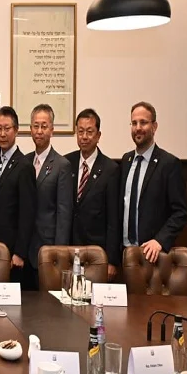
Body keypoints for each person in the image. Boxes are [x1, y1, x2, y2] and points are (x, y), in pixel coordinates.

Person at [120, 101, 187, 263]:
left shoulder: (169, 164)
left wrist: (160, 240)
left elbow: (180, 212)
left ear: (154, 126)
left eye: (143, 122)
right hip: (125, 252)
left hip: (153, 255)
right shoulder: (126, 161)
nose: (138, 128)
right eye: (134, 123)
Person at [0, 107, 36, 285]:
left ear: (16, 130)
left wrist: (19, 252)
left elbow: (27, 213)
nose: (2, 134)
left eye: (7, 128)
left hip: (10, 251)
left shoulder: (24, 166)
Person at [65, 109, 119, 279]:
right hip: (69, 249)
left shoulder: (110, 169)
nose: (84, 137)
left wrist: (111, 260)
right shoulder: (67, 163)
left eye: (89, 132)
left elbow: (113, 219)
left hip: (97, 252)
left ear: (98, 135)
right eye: (80, 131)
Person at [25, 104, 72, 290]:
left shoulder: (62, 165)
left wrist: (59, 253)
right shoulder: (24, 161)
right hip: (25, 249)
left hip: (49, 249)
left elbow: (64, 213)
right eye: (36, 126)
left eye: (44, 126)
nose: (39, 131)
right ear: (30, 129)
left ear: (52, 130)